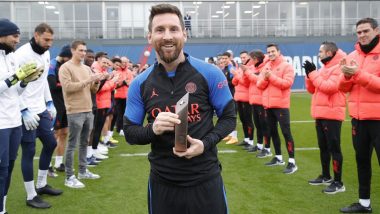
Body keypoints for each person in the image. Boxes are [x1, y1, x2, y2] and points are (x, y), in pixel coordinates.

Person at [123, 4, 236, 214]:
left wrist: (205, 143)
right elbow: (130, 133)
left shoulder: (210, 73)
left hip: (206, 181)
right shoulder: (139, 84)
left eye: (174, 29)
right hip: (163, 186)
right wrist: (153, 129)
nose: (167, 36)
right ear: (149, 37)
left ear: (184, 34)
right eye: (160, 30)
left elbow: (229, 117)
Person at [15, 22, 63, 209]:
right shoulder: (20, 55)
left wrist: (49, 102)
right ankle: (30, 195)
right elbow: (12, 87)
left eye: (51, 40)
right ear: (36, 35)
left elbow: (42, 81)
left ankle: (41, 184)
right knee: (29, 151)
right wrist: (23, 110)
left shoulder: (46, 53)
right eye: (46, 39)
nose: (49, 43)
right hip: (25, 111)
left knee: (51, 143)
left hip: (41, 108)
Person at [0, 19, 43, 214]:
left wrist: (24, 81)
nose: (18, 40)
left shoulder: (10, 57)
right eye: (14, 36)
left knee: (8, 167)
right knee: (1, 169)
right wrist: (16, 76)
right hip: (0, 123)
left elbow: (14, 91)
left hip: (14, 120)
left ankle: (3, 207)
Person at [339, 17, 380, 213]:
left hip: (378, 120)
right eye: (359, 32)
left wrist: (358, 74)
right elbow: (343, 87)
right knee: (362, 162)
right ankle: (364, 204)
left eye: (366, 31)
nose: (362, 35)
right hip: (358, 119)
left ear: (376, 31)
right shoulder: (352, 55)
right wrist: (347, 76)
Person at [304, 42, 346, 194]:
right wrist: (309, 75)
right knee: (323, 147)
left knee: (334, 149)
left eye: (320, 51)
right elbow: (312, 89)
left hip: (332, 114)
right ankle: (326, 176)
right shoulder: (324, 68)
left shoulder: (340, 66)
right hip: (320, 113)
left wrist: (313, 74)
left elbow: (330, 88)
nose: (318, 54)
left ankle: (338, 182)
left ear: (329, 52)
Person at [59, 40, 103, 188]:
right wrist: (88, 80)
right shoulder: (65, 68)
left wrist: (96, 81)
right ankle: (69, 176)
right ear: (73, 50)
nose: (83, 53)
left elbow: (93, 90)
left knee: (84, 142)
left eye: (85, 51)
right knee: (72, 145)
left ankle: (82, 171)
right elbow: (68, 87)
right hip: (74, 111)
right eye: (80, 50)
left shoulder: (86, 68)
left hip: (88, 110)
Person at [257, 43, 297, 174]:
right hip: (268, 105)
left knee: (286, 133)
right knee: (273, 132)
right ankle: (278, 157)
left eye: (273, 51)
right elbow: (259, 85)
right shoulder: (267, 66)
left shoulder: (287, 66)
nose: (271, 54)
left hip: (281, 106)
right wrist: (266, 79)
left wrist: (271, 77)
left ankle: (292, 162)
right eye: (268, 52)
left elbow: (287, 84)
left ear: (279, 52)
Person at [48, 44, 72, 174]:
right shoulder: (52, 65)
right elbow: (52, 85)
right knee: (54, 135)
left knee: (64, 133)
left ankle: (59, 162)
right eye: (69, 58)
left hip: (65, 104)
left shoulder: (65, 66)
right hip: (55, 105)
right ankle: (47, 164)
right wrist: (68, 84)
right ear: (64, 56)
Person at [244, 50, 272, 158]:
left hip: (261, 101)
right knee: (258, 125)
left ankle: (267, 148)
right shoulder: (254, 68)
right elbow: (247, 82)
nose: (249, 61)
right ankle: (260, 145)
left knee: (264, 126)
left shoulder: (263, 68)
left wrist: (247, 72)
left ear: (255, 59)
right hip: (254, 100)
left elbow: (257, 80)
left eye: (250, 58)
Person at [231, 51, 254, 151]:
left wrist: (237, 75)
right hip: (239, 97)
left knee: (248, 120)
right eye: (241, 57)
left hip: (247, 98)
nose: (243, 59)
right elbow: (234, 82)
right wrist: (236, 75)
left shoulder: (250, 68)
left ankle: (251, 141)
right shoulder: (241, 68)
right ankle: (246, 139)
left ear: (248, 57)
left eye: (244, 57)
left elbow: (246, 83)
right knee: (243, 120)